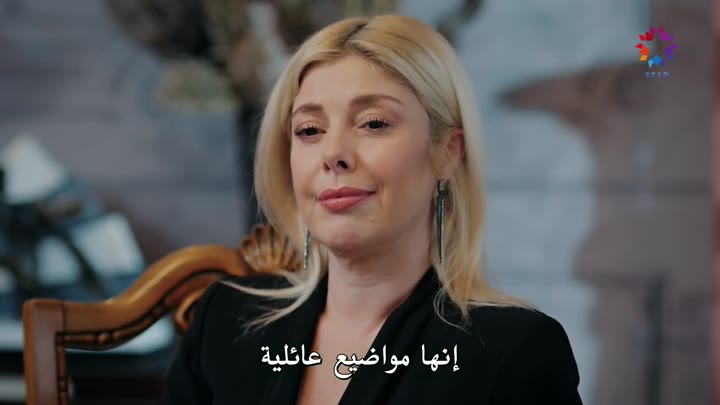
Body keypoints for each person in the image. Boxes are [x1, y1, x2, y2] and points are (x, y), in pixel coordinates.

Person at [162, 14, 583, 405]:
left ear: (447, 152)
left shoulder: (515, 350)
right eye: (309, 130)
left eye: (374, 123)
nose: (333, 154)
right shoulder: (223, 322)